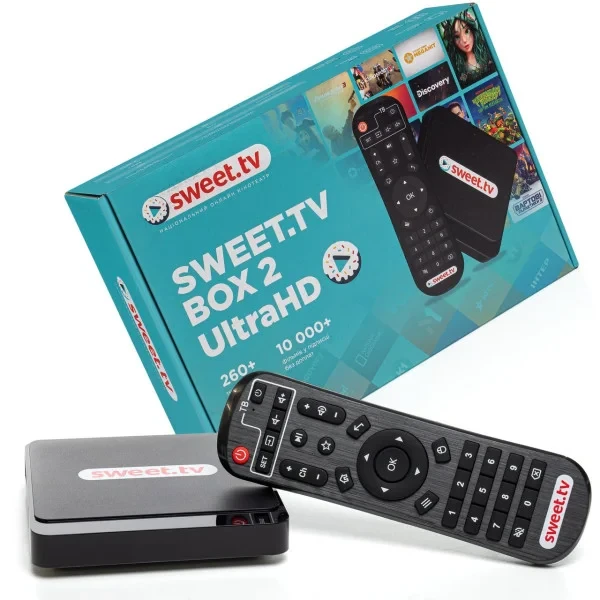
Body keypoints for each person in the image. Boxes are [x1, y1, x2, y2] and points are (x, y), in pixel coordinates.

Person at [439, 10, 495, 86]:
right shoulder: (458, 67)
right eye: (457, 36)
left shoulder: (488, 53)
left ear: (472, 30)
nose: (464, 40)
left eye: (466, 31)